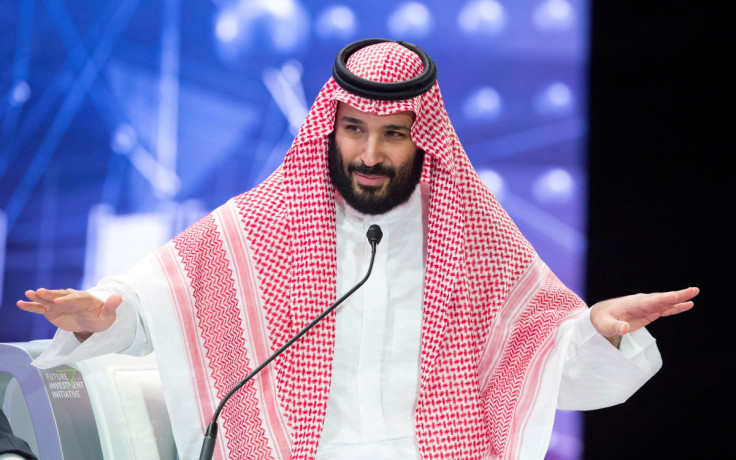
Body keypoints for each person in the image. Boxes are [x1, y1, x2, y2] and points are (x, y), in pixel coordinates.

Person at [17, 39, 698, 460]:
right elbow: (165, 298)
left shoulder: (472, 234)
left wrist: (598, 331)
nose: (369, 154)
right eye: (354, 129)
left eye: (393, 134)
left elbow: (541, 356)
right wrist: (106, 313)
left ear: (421, 137)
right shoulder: (266, 223)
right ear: (330, 128)